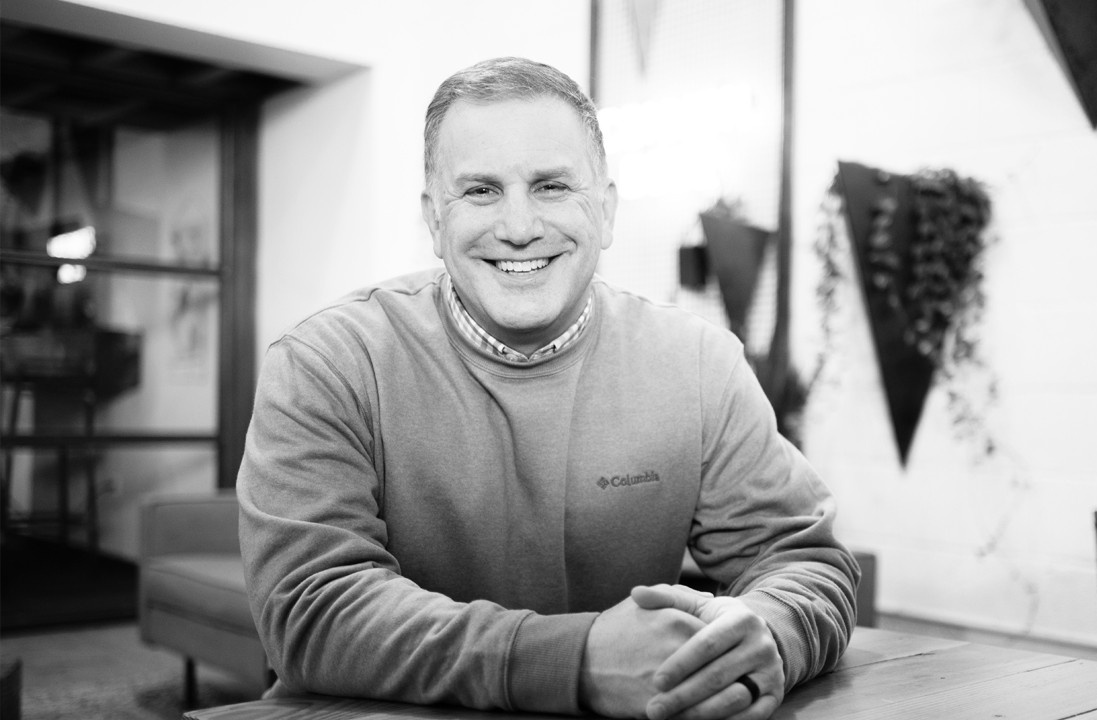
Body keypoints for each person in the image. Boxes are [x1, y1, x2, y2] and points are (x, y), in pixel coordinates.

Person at [238, 56, 858, 720]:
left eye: (552, 186)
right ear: (434, 221)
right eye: (481, 190)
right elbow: (311, 608)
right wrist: (576, 662)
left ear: (606, 210)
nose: (519, 226)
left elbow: (801, 560)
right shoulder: (327, 363)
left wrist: (767, 635)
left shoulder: (699, 364)